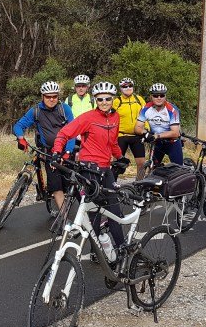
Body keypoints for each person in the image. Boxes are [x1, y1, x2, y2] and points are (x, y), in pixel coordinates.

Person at [52, 81, 130, 259]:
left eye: (107, 99)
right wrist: (57, 151)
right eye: (100, 99)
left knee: (114, 211)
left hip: (106, 169)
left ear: (113, 99)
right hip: (89, 171)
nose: (104, 102)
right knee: (94, 212)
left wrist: (119, 157)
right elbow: (64, 133)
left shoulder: (115, 118)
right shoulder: (88, 117)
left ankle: (121, 249)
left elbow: (112, 143)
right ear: (95, 99)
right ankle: (98, 250)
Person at [12, 81, 74, 210]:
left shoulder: (64, 108)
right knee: (57, 187)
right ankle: (63, 220)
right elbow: (19, 125)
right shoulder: (36, 111)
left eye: (54, 96)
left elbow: (72, 131)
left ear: (58, 96)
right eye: (48, 96)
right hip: (49, 153)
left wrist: (68, 151)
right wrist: (20, 137)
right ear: (42, 96)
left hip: (65, 151)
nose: (51, 99)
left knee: (68, 184)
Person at [134, 83, 182, 178]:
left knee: (178, 171)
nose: (159, 98)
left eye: (162, 95)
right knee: (153, 168)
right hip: (157, 143)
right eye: (155, 95)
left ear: (165, 96)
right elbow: (137, 128)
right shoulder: (146, 108)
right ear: (151, 97)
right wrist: (146, 133)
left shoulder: (172, 110)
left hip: (172, 142)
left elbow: (175, 133)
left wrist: (158, 135)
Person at [114, 77, 146, 178]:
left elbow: (146, 115)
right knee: (116, 162)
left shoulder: (139, 99)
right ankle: (112, 183)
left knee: (141, 163)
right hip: (121, 135)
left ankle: (140, 183)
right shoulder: (117, 101)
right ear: (120, 88)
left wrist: (147, 129)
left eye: (130, 85)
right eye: (125, 86)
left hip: (137, 135)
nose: (128, 88)